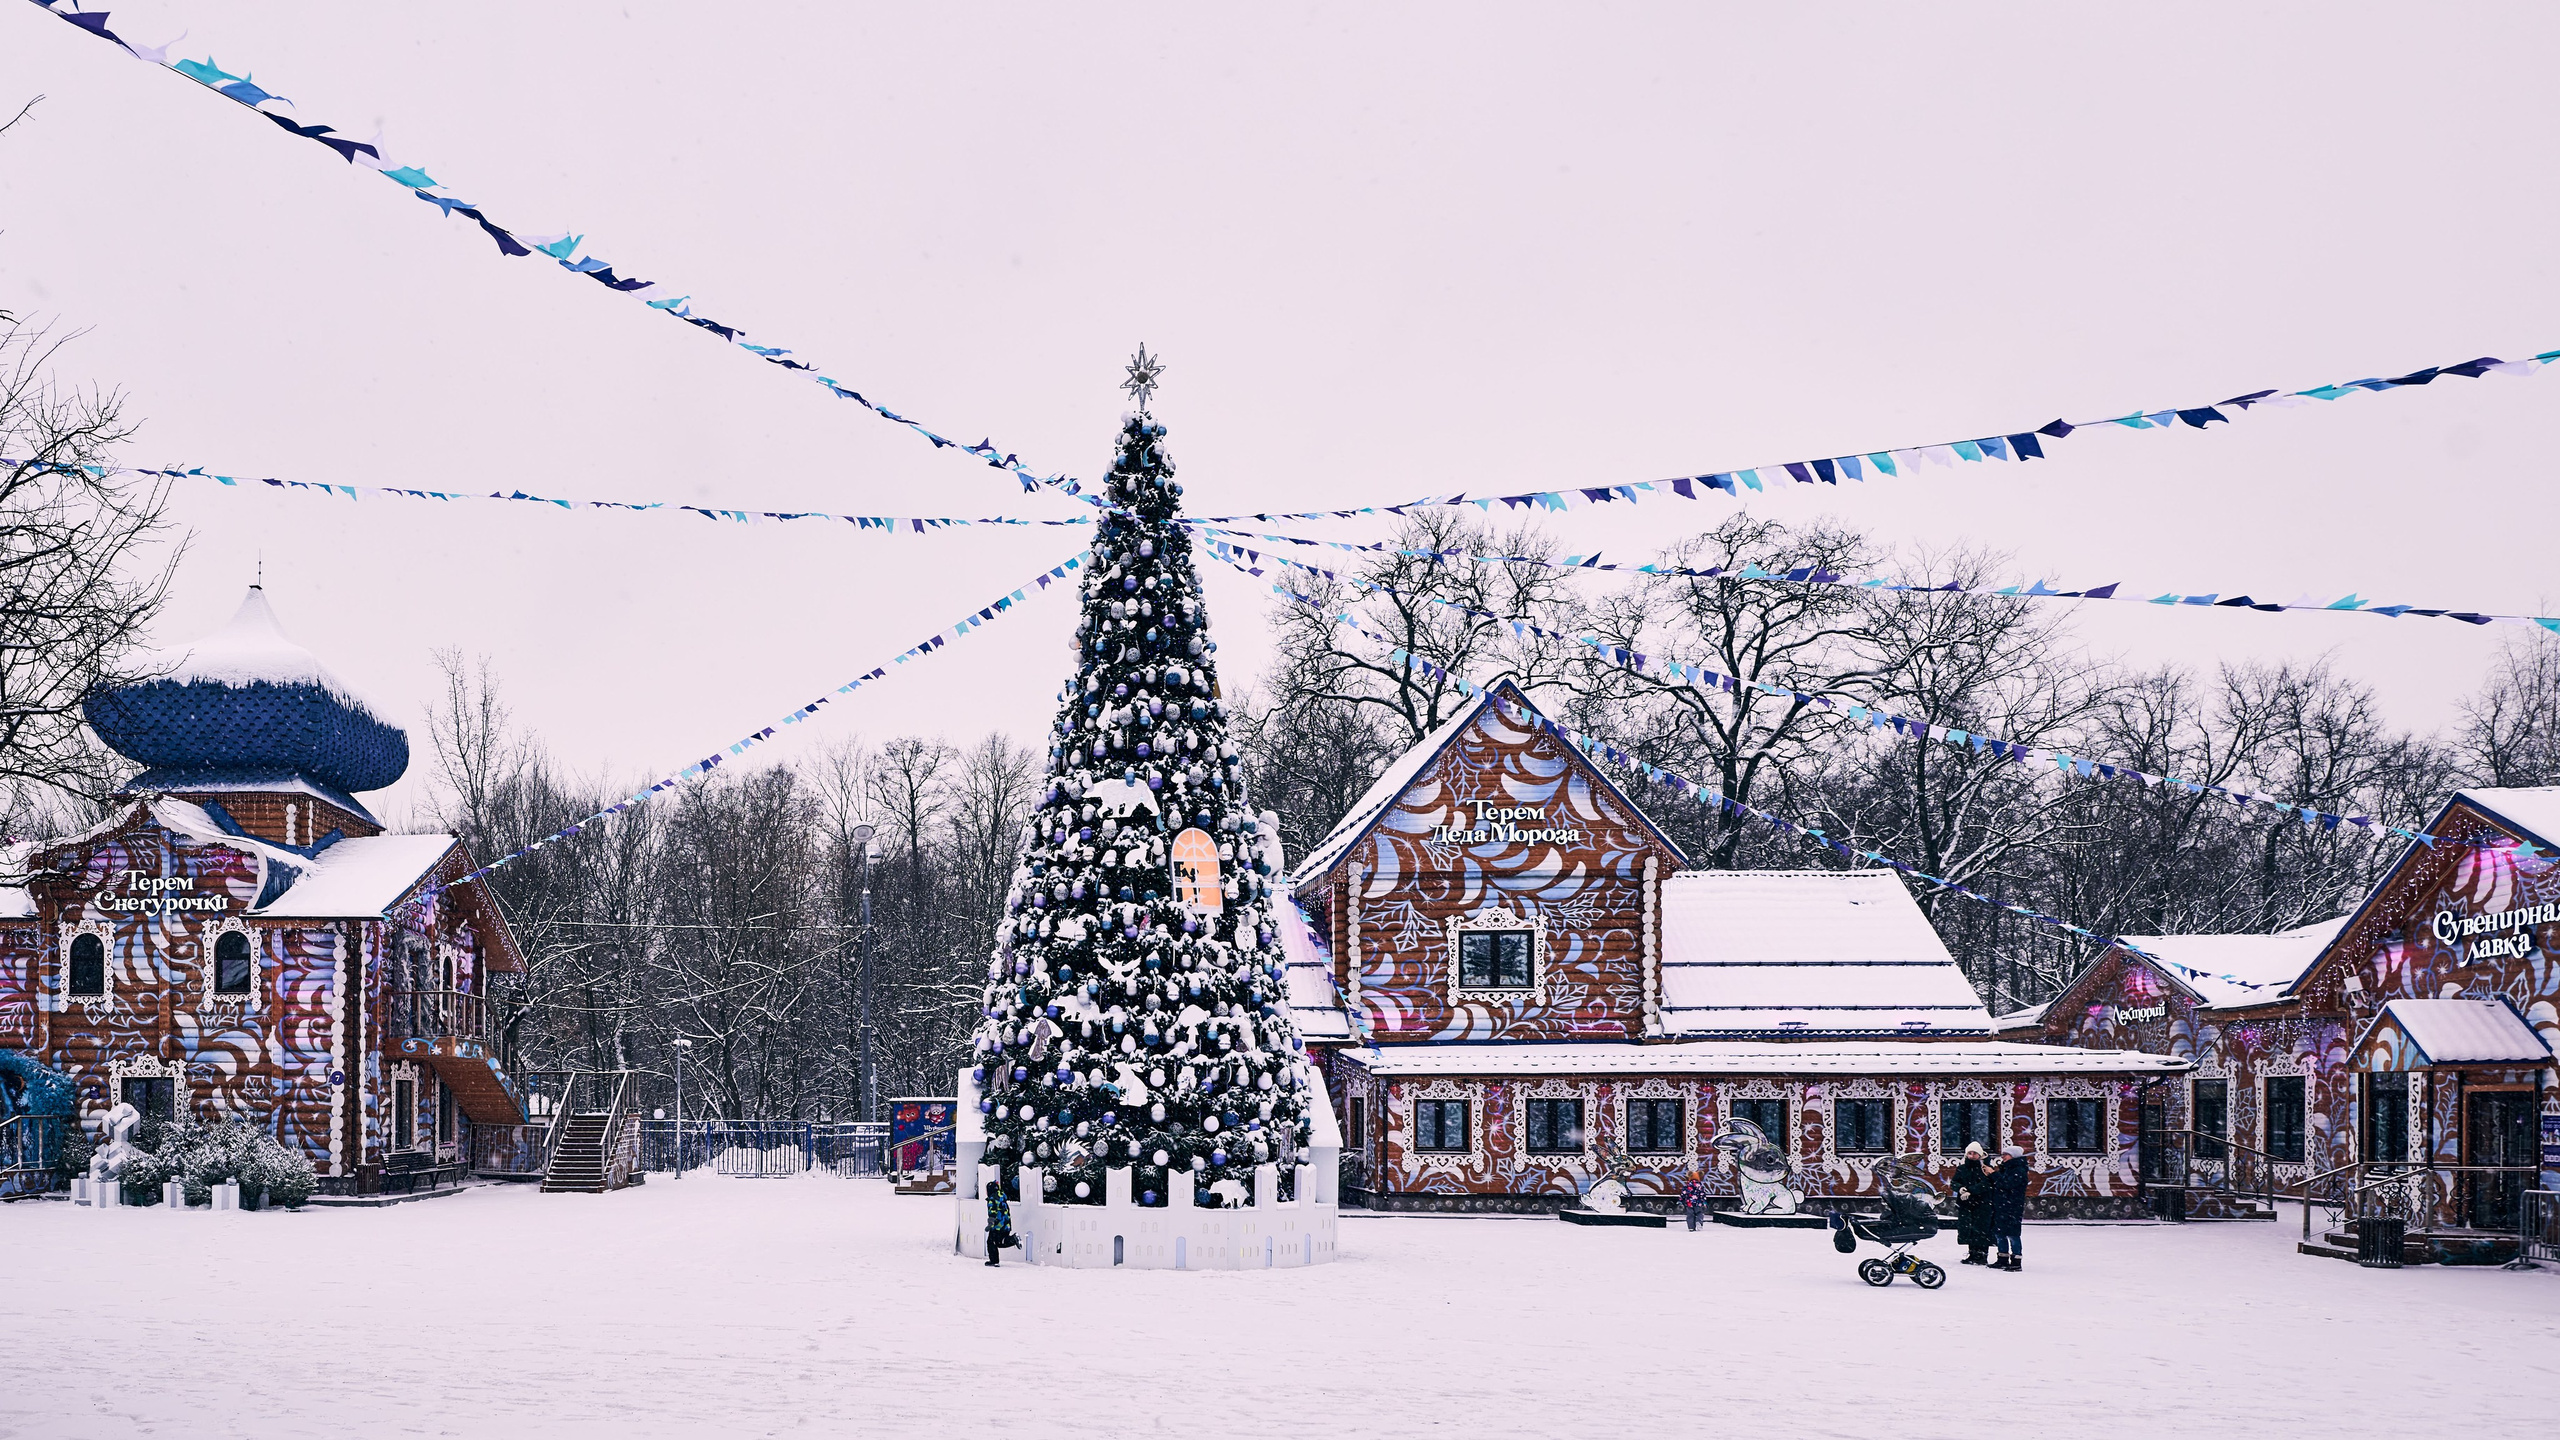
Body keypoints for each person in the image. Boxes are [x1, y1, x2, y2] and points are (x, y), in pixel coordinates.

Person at [1988, 1146, 2032, 1272]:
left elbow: (2006, 1184)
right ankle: (2002, 1258)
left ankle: (2016, 1261)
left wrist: (1993, 1174)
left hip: (2012, 1206)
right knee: (2000, 1232)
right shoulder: (2007, 1169)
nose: (2003, 1157)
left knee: (2013, 1234)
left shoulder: (2018, 1170)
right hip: (2002, 1205)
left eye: (2006, 1155)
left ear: (2013, 1156)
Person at [1951, 1143, 1994, 1266]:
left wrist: (1971, 1191)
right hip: (1966, 1204)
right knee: (1969, 1228)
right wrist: (1960, 1189)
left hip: (1982, 1203)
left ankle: (1982, 1255)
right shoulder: (1962, 1168)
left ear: (1980, 1154)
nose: (1972, 1155)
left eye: (1975, 1153)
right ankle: (1972, 1253)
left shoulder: (1985, 1168)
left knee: (1981, 1229)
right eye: (1970, 1153)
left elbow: (1986, 1184)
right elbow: (1954, 1182)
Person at [985, 1182, 1016, 1267]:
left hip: (998, 1225)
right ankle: (1013, 1239)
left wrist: (990, 1224)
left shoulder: (992, 1198)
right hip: (1006, 1224)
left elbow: (993, 1212)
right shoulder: (1002, 1196)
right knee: (1000, 1241)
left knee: (991, 1242)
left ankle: (994, 1260)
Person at [1679, 1165, 1708, 1231]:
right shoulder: (1700, 1186)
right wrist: (1704, 1202)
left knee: (1690, 1215)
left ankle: (1691, 1227)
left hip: (1689, 1203)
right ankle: (1698, 1222)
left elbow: (1683, 1194)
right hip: (1699, 1203)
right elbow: (1703, 1194)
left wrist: (1681, 1200)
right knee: (1699, 1213)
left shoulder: (1687, 1186)